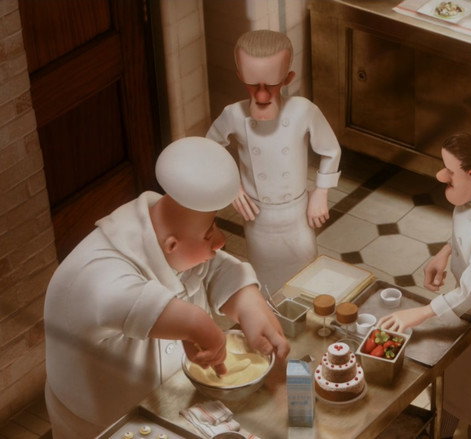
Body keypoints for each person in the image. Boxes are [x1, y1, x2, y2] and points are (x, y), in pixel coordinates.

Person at [43, 137, 290, 438]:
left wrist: (248, 303)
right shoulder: (93, 276)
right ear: (172, 244)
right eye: (209, 233)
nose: (221, 241)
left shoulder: (170, 240)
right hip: (103, 422)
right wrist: (197, 325)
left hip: (167, 404)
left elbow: (211, 268)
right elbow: (137, 303)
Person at [378, 133, 471, 438]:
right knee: (454, 387)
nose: (441, 176)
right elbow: (468, 229)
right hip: (465, 310)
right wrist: (445, 253)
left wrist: (418, 313)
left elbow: (469, 293)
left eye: (449, 172)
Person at [207, 30, 341, 293]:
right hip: (258, 218)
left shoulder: (303, 110)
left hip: (298, 214)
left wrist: (321, 192)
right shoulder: (233, 115)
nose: (262, 95)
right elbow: (209, 149)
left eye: (271, 85)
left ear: (288, 78)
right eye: (253, 85)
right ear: (240, 76)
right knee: (265, 279)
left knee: (306, 275)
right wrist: (232, 186)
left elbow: (331, 150)